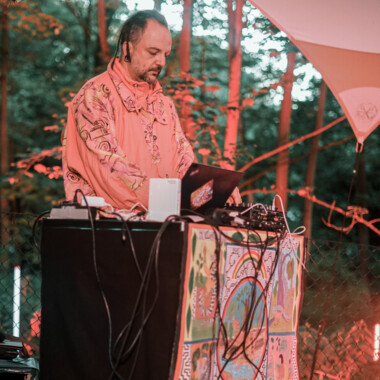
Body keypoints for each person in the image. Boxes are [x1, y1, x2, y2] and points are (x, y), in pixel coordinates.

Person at [61, 10, 194, 212]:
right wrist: (171, 204)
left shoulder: (164, 104)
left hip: (165, 226)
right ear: (127, 49)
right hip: (107, 233)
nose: (161, 62)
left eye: (165, 54)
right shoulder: (94, 96)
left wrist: (210, 192)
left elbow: (185, 164)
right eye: (152, 52)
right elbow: (111, 172)